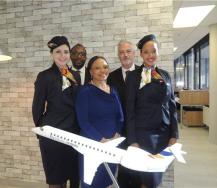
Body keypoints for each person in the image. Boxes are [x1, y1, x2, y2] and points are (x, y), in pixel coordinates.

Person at [125, 34, 179, 188]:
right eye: (146, 52)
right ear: (141, 54)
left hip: (164, 135)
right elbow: (130, 109)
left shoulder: (166, 75)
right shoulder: (133, 77)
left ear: (158, 52)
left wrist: (174, 134)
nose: (150, 55)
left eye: (154, 51)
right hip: (144, 136)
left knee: (156, 175)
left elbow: (172, 107)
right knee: (149, 178)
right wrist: (133, 140)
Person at [32, 36, 80, 188]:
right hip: (53, 135)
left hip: (73, 134)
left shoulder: (75, 75)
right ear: (52, 54)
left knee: (73, 177)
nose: (63, 55)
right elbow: (37, 107)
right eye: (58, 52)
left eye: (66, 52)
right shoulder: (45, 76)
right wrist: (42, 131)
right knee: (56, 180)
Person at [75, 56, 124, 188]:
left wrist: (117, 135)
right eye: (97, 68)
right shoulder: (84, 91)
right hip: (92, 145)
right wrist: (101, 140)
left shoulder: (113, 90)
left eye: (105, 67)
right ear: (90, 72)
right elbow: (83, 122)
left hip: (112, 144)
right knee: (91, 182)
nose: (102, 70)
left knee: (108, 180)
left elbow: (120, 116)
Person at [107, 40, 140, 188]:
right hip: (119, 133)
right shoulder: (111, 77)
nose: (125, 55)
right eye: (121, 52)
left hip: (139, 132)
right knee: (123, 171)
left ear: (134, 53)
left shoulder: (143, 74)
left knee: (139, 172)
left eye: (128, 51)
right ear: (118, 55)